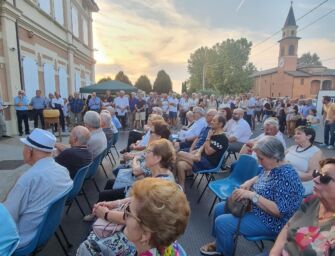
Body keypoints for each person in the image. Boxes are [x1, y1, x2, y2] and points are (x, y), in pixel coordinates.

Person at [200, 136, 304, 256]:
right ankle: (219, 242)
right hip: (257, 208)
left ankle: (223, 251)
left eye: (261, 159)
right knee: (219, 208)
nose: (259, 162)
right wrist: (249, 182)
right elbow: (261, 176)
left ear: (274, 157)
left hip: (272, 221)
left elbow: (279, 211)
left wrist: (252, 195)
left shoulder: (287, 177)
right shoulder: (274, 166)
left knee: (222, 223)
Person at [78, 178, 190, 256]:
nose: (123, 212)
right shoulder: (168, 241)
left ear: (145, 234)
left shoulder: (90, 250)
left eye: (127, 210)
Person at [3, 128, 73, 249]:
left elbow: (7, 217)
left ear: (30, 151)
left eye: (24, 147)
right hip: (45, 230)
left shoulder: (29, 179)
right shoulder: (63, 170)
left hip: (23, 238)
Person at [269, 158, 335, 256]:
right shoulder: (313, 199)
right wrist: (274, 253)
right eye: (317, 174)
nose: (315, 179)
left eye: (325, 177)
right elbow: (288, 226)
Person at [176, 114, 229, 190]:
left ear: (220, 124)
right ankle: (181, 186)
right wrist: (198, 153)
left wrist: (208, 138)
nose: (211, 122)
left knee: (180, 153)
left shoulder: (222, 138)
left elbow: (208, 152)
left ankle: (170, 178)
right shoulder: (213, 133)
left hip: (209, 163)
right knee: (180, 164)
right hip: (201, 159)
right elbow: (203, 146)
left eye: (214, 120)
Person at [285, 126, 324, 196]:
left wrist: (289, 174)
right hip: (285, 179)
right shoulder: (293, 148)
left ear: (308, 136)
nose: (295, 136)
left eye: (298, 133)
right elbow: (279, 160)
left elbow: (312, 175)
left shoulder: (315, 152)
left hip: (302, 184)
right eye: (295, 133)